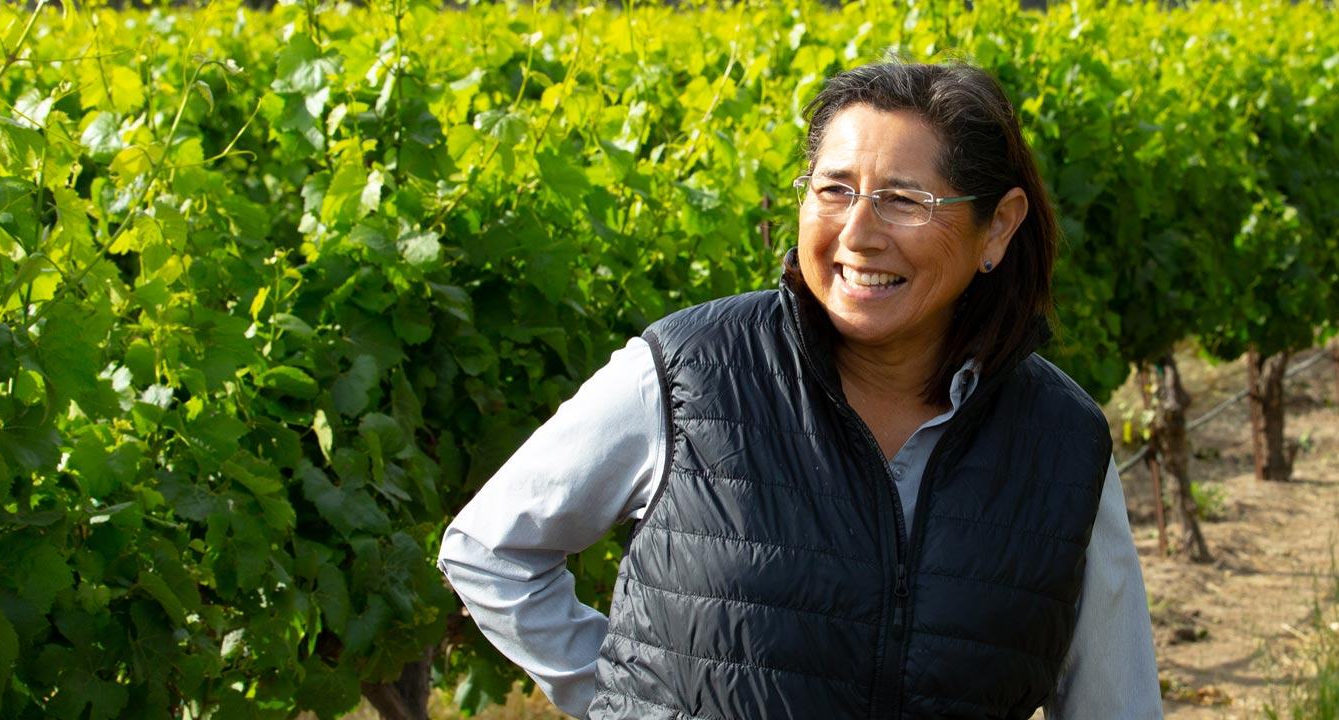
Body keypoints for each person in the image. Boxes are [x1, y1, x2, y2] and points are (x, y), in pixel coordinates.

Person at [437, 62, 1161, 719]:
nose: (859, 232)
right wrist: (625, 699)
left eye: (904, 200)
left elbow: (1115, 704)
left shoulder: (1063, 442)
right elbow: (489, 549)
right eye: (834, 190)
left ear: (997, 227)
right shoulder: (690, 371)